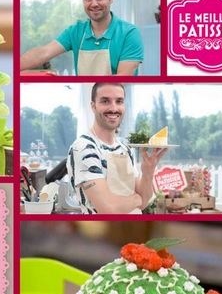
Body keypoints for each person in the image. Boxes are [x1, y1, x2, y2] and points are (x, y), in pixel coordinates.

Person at [66, 83, 167, 214]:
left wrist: (148, 171)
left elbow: (145, 200)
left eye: (119, 101)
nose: (113, 108)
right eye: (105, 101)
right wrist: (137, 199)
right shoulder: (85, 148)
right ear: (93, 106)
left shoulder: (125, 148)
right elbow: (108, 209)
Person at [20, 0, 144, 76]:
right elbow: (43, 53)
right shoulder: (75, 31)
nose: (94, 3)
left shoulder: (129, 33)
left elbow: (123, 77)